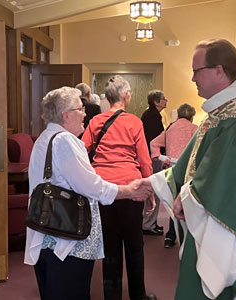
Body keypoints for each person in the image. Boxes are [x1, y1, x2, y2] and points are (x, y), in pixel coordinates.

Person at [146, 39, 236, 300]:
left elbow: (228, 179)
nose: (192, 78)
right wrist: (156, 183)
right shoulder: (222, 111)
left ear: (219, 70)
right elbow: (193, 160)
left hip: (226, 224)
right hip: (207, 218)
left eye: (196, 71)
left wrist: (185, 197)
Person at [24, 86, 153, 300]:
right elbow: (93, 187)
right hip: (66, 239)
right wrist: (130, 190)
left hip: (46, 234)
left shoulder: (45, 138)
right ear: (66, 115)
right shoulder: (65, 141)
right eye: (80, 108)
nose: (85, 112)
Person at [82, 75, 157, 300]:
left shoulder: (95, 122)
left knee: (110, 247)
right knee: (135, 245)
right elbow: (144, 160)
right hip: (131, 186)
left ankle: (111, 296)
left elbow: (82, 150)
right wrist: (150, 189)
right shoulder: (134, 121)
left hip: (104, 189)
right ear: (125, 96)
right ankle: (138, 295)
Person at [149, 103, 198, 248]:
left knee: (173, 201)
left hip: (171, 168)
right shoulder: (194, 129)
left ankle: (170, 237)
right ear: (192, 116)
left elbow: (153, 143)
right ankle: (188, 239)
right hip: (187, 169)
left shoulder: (170, 128)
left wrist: (161, 157)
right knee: (187, 201)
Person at [141, 90, 167, 236]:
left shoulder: (149, 114)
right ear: (156, 102)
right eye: (163, 99)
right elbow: (155, 140)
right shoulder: (153, 116)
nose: (166, 101)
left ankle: (149, 222)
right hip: (153, 157)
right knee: (154, 190)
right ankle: (148, 224)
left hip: (148, 156)